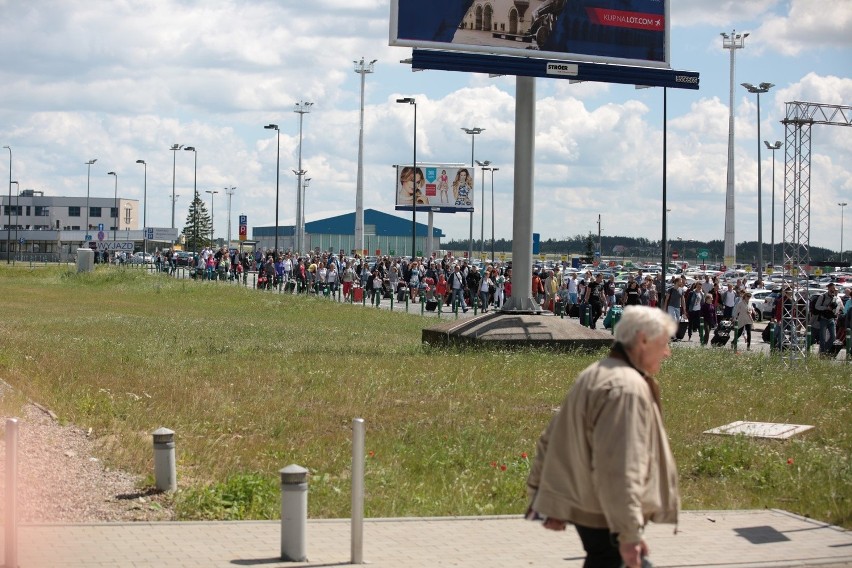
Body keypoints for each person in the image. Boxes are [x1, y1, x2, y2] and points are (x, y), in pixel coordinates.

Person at [526, 306, 679, 568]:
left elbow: (550, 439)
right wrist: (629, 534)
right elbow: (620, 468)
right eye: (664, 343)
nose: (667, 352)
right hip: (607, 514)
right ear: (642, 339)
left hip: (595, 511)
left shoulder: (596, 373)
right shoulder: (626, 389)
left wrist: (544, 499)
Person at [814, 283, 839, 356]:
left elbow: (836, 306)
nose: (833, 290)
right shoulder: (823, 296)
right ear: (828, 288)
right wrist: (826, 308)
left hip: (831, 319)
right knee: (822, 337)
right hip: (823, 318)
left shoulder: (835, 297)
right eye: (832, 288)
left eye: (834, 288)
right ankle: (822, 352)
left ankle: (826, 349)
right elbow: (817, 306)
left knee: (833, 337)